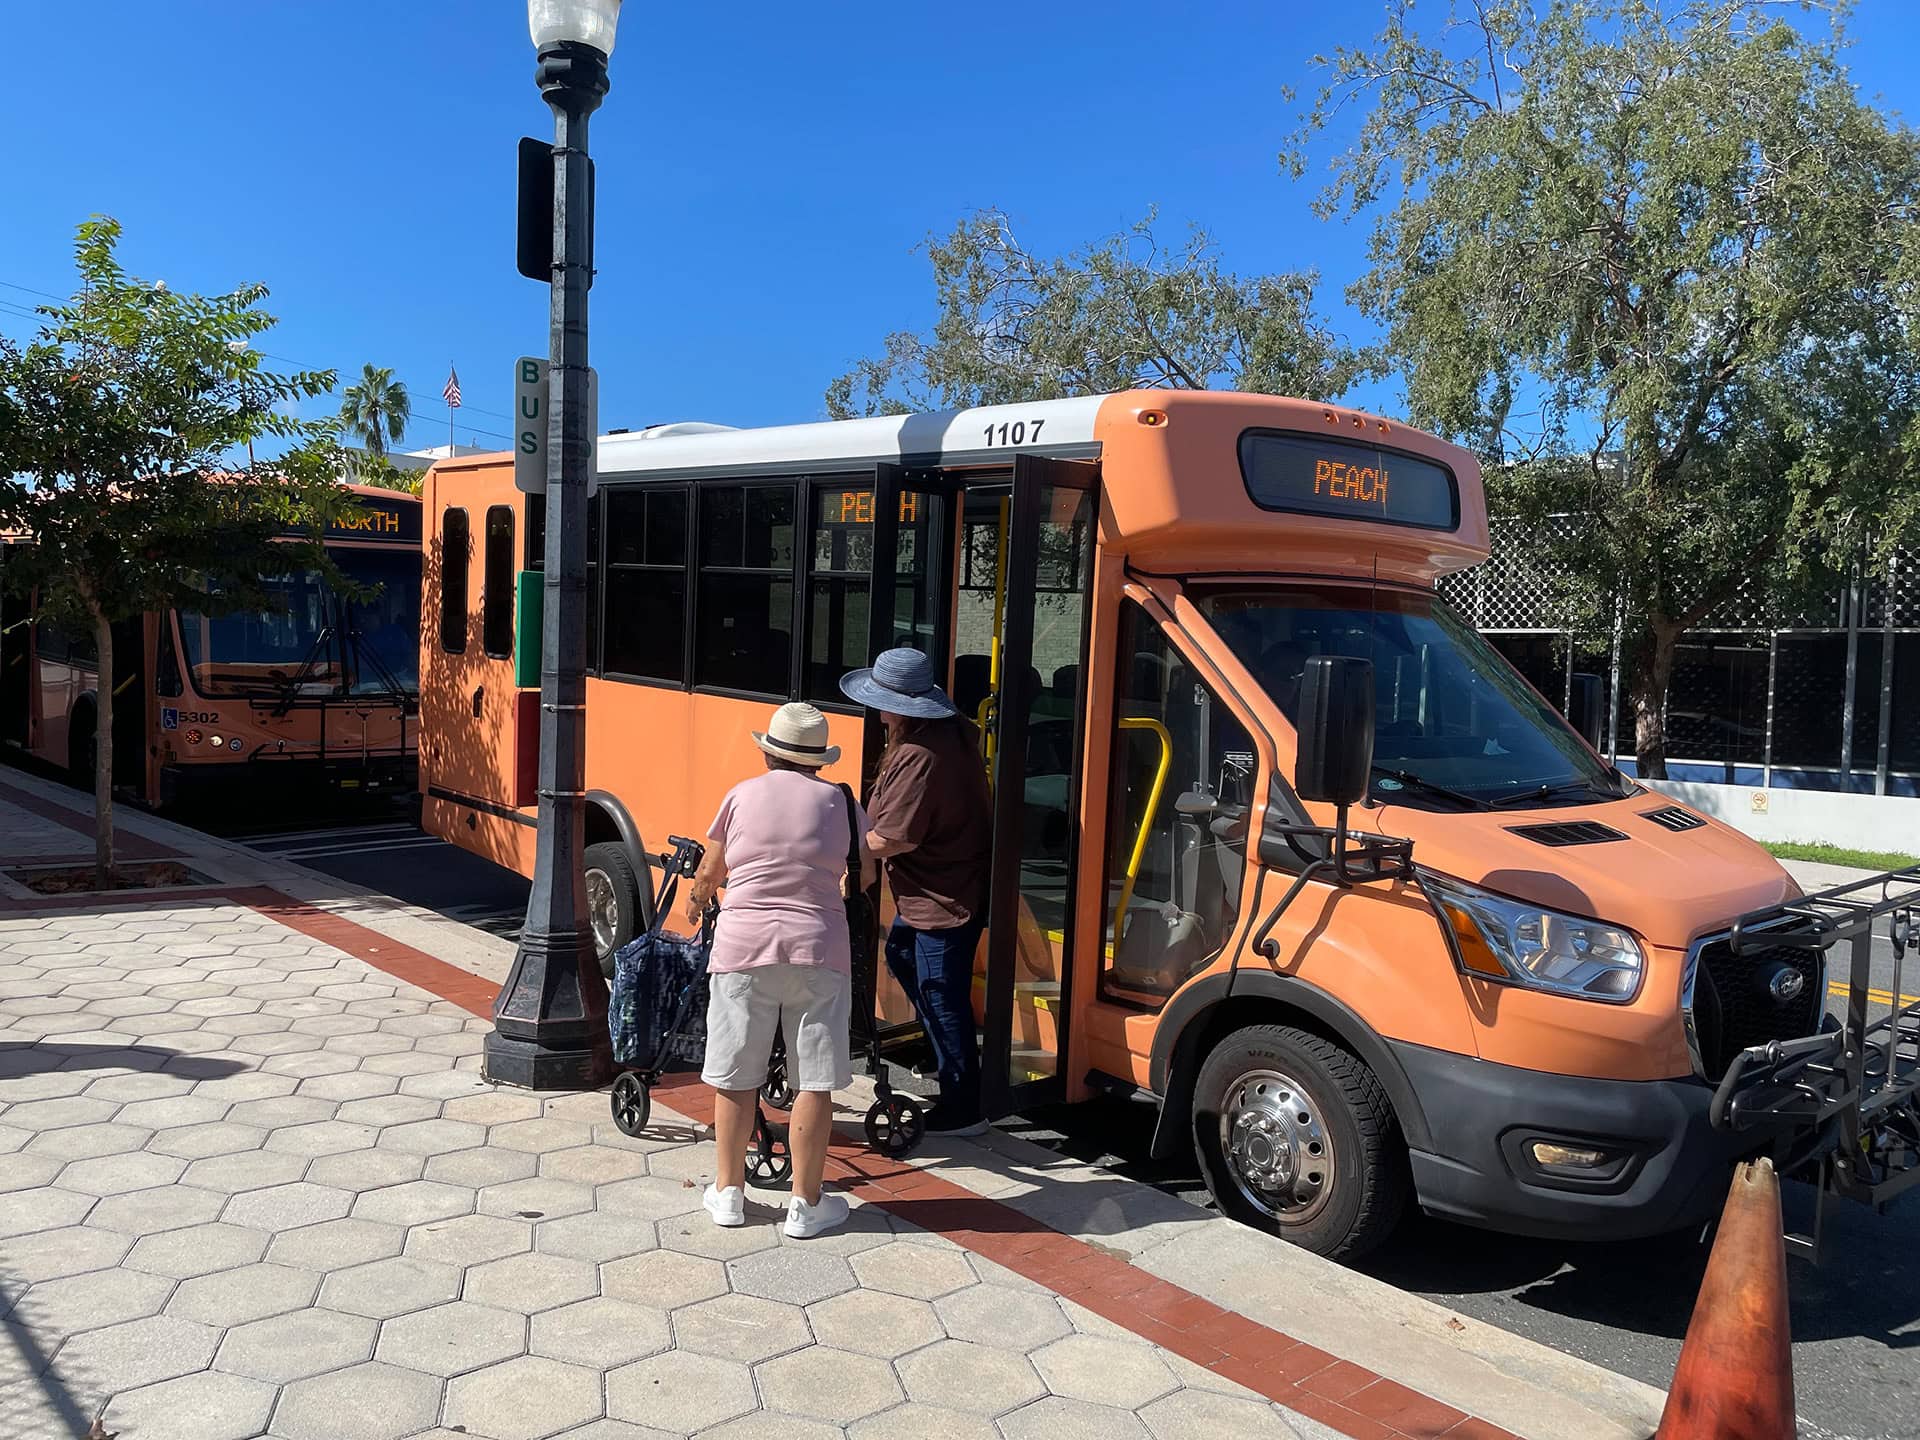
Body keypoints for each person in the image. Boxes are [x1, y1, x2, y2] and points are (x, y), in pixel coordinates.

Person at [685, 702, 872, 1238]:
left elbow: (710, 871)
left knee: (736, 1074)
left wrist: (697, 903)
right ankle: (805, 1206)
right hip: (818, 950)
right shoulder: (841, 800)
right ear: (818, 759)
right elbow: (864, 873)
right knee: (814, 1081)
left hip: (743, 949)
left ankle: (727, 1193)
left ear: (768, 752)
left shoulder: (742, 795)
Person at [840, 647, 993, 1136]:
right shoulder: (943, 736)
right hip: (934, 891)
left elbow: (896, 836)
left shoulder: (920, 756)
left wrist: (845, 851)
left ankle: (963, 1104)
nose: (877, 710)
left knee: (939, 991)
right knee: (904, 956)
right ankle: (950, 1062)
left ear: (899, 705)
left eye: (882, 701)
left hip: (942, 897)